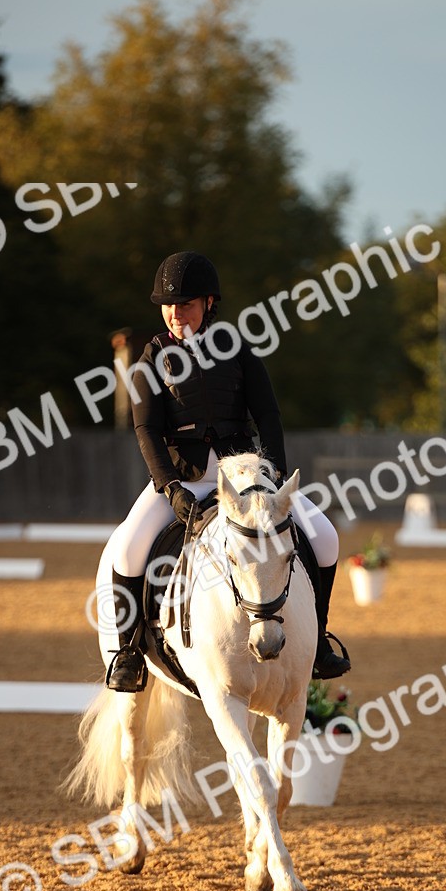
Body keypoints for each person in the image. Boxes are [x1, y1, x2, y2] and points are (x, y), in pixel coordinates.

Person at [105, 250, 351, 691]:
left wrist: (273, 475)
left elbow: (269, 416)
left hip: (246, 480)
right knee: (127, 548)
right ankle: (128, 653)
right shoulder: (151, 358)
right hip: (183, 479)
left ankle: (319, 640)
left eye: (186, 304)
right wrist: (171, 488)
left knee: (327, 538)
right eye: (169, 305)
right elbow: (146, 430)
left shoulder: (237, 349)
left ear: (208, 304)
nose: (176, 313)